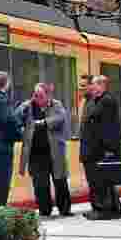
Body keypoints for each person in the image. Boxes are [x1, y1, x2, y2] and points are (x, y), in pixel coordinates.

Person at [17, 83, 72, 217]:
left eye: (40, 95)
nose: (37, 98)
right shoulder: (28, 106)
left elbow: (61, 118)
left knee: (60, 181)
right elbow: (16, 117)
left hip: (54, 151)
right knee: (40, 184)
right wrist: (22, 107)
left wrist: (44, 122)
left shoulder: (56, 105)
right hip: (35, 153)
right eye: (35, 95)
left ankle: (64, 209)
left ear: (48, 95)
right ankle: (44, 209)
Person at [80, 75, 121, 220]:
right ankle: (110, 209)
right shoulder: (98, 101)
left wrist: (108, 149)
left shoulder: (106, 101)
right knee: (104, 181)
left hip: (98, 149)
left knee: (99, 181)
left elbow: (107, 127)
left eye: (93, 84)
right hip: (95, 148)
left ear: (101, 86)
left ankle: (102, 209)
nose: (91, 87)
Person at [0, 72, 20, 206]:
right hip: (3, 147)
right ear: (6, 84)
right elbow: (9, 120)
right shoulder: (3, 99)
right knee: (3, 180)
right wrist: (19, 134)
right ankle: (0, 209)